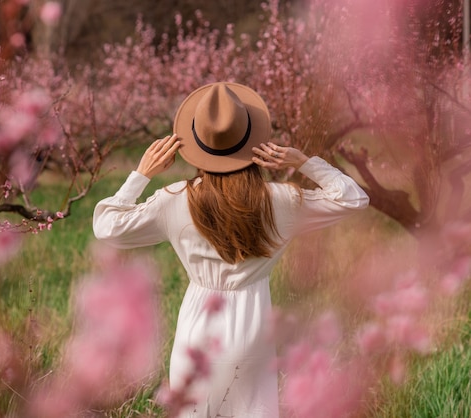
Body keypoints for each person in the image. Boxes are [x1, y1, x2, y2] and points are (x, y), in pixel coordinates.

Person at [92, 82, 369, 417]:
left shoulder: (176, 199)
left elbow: (107, 227)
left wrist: (141, 174)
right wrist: (306, 162)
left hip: (199, 322)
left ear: (197, 144)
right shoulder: (281, 201)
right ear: (252, 143)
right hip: (253, 324)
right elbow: (353, 198)